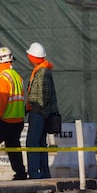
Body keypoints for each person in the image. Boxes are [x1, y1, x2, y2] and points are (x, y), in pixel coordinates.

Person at [0, 46, 28, 181]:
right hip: (18, 120)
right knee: (13, 146)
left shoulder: (3, 78)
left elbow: (2, 100)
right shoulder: (17, 77)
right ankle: (20, 174)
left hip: (5, 120)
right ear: (11, 60)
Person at [25, 41, 59, 179]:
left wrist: (34, 109)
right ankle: (43, 173)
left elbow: (43, 97)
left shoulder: (42, 72)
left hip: (39, 114)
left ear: (33, 57)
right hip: (41, 114)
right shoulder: (42, 70)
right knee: (40, 143)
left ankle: (34, 173)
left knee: (33, 143)